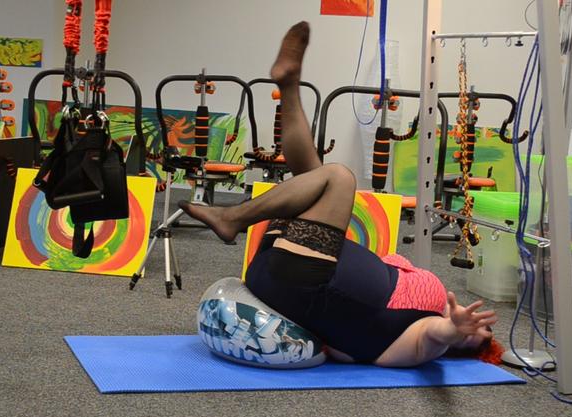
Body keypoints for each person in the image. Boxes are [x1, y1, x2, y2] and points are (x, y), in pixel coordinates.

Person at [180, 21, 499, 368]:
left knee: (339, 178)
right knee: (315, 175)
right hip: (296, 263)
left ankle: (232, 218)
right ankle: (289, 85)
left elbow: (433, 336)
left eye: (475, 338)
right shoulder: (432, 309)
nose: (476, 326)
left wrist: (452, 330)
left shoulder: (422, 340)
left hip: (303, 283)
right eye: (481, 327)